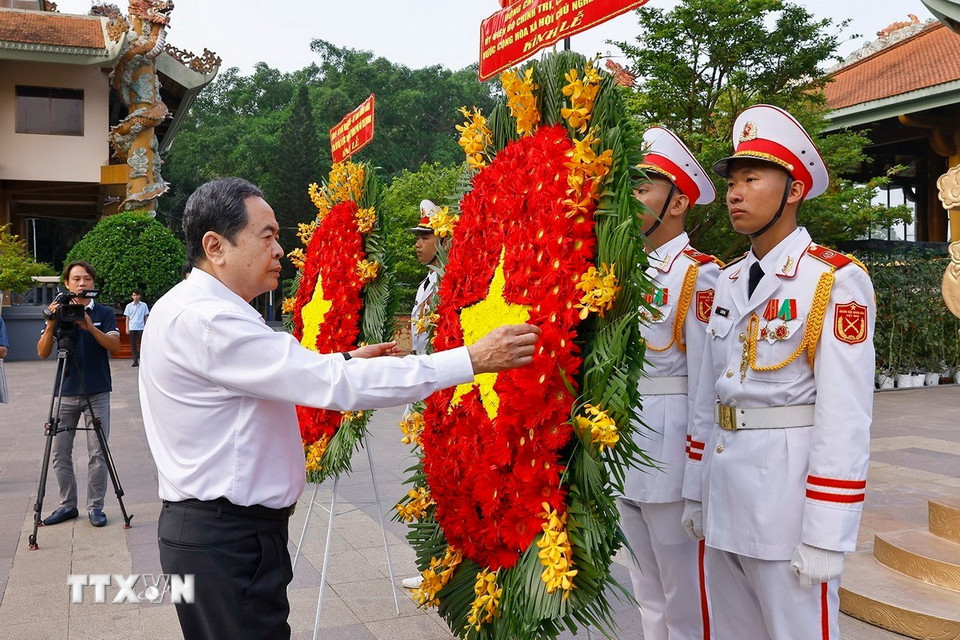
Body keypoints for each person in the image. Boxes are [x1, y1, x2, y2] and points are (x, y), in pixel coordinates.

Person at [139, 177, 539, 640]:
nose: (280, 251)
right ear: (216, 246)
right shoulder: (208, 320)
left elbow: (279, 371)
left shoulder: (202, 309)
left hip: (221, 532)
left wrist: (344, 358)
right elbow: (333, 386)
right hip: (225, 538)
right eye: (266, 236)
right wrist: (473, 358)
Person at [681, 105, 875, 639]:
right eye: (732, 182)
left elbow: (845, 414)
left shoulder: (832, 281)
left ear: (793, 191)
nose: (735, 193)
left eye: (752, 178)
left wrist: (827, 531)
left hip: (786, 503)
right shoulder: (728, 279)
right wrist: (697, 490)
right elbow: (707, 393)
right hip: (725, 490)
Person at [618, 127, 718, 640]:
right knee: (646, 588)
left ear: (677, 202)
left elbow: (706, 382)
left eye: (642, 190)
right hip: (626, 444)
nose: (630, 199)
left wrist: (698, 472)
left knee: (686, 592)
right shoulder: (620, 271)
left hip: (672, 447)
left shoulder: (699, 276)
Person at [37, 260, 121, 528]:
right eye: (76, 279)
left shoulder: (104, 312)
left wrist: (90, 327)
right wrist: (51, 323)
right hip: (64, 391)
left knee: (98, 452)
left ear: (93, 283)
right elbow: (41, 352)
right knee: (60, 453)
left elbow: (116, 347)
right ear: (67, 284)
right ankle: (67, 505)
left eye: (87, 279)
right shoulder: (59, 311)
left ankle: (96, 507)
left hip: (97, 391)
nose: (82, 283)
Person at [401, 199, 446, 590]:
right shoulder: (429, 282)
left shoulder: (448, 281)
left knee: (440, 477)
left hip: (443, 384)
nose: (417, 243)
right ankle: (433, 560)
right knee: (428, 475)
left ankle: (442, 561)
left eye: (425, 236)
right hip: (424, 382)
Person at [123, 289, 149, 367]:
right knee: (133, 345)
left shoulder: (144, 305)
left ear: (139, 296)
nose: (135, 297)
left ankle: (144, 359)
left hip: (141, 327)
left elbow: (145, 317)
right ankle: (135, 360)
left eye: (136, 295)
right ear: (132, 296)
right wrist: (127, 328)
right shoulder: (129, 306)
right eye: (134, 295)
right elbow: (127, 318)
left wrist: (147, 327)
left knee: (143, 344)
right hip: (132, 327)